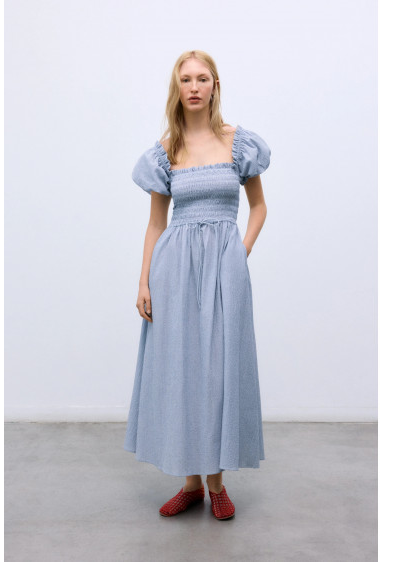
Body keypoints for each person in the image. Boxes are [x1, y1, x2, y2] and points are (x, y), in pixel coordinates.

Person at [123, 50, 271, 520]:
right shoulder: (165, 150)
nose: (193, 87)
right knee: (182, 370)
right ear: (177, 87)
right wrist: (144, 281)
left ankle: (217, 483)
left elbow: (259, 207)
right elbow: (155, 223)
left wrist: (240, 252)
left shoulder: (238, 143)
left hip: (224, 268)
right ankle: (190, 484)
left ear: (215, 85)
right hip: (174, 271)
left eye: (202, 78)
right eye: (185, 79)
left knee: (219, 371)